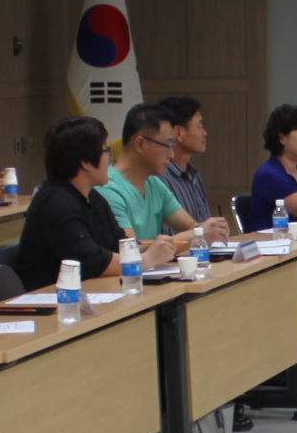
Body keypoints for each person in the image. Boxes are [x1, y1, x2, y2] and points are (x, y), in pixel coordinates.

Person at [17, 115, 172, 290]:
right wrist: (148, 259)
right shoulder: (56, 203)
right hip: (51, 298)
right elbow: (91, 261)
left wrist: (155, 247)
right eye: (105, 150)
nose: (109, 159)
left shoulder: (93, 197)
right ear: (85, 162)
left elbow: (118, 244)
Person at [101, 105, 230, 248]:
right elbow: (130, 249)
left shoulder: (153, 183)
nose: (171, 154)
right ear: (140, 144)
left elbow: (189, 225)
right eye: (167, 145)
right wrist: (199, 234)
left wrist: (211, 229)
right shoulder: (108, 188)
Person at [154, 95, 215, 224]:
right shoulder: (159, 179)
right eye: (199, 126)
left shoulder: (194, 175)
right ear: (178, 132)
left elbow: (205, 226)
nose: (204, 133)